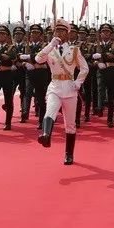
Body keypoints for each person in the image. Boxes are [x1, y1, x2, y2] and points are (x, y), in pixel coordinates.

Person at [36, 19, 88, 165]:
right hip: (55, 87)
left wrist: (78, 82)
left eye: (62, 31)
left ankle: (69, 154)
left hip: (70, 90)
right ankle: (46, 135)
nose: (59, 33)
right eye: (57, 31)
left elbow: (85, 68)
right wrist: (50, 45)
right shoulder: (49, 49)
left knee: (70, 125)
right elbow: (38, 59)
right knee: (50, 111)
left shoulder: (74, 50)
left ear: (67, 34)